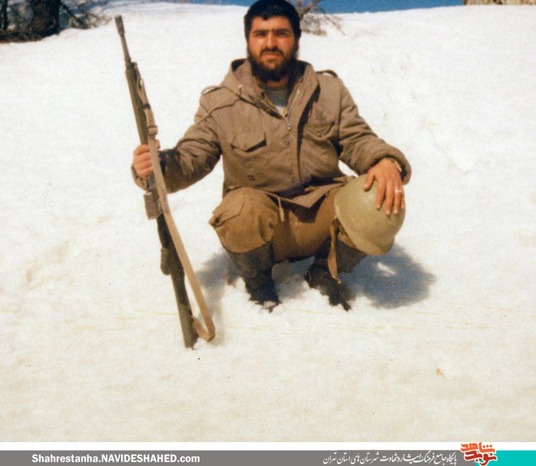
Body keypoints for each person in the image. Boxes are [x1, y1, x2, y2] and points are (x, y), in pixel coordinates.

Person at [132, 0, 411, 311]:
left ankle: (326, 269)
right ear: (248, 40)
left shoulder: (329, 91)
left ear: (296, 39)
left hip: (322, 218)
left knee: (381, 194)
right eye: (260, 34)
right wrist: (159, 167)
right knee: (239, 210)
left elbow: (357, 139)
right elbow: (192, 156)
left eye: (281, 33)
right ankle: (259, 281)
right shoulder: (220, 102)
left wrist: (384, 161)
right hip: (264, 227)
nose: (270, 43)